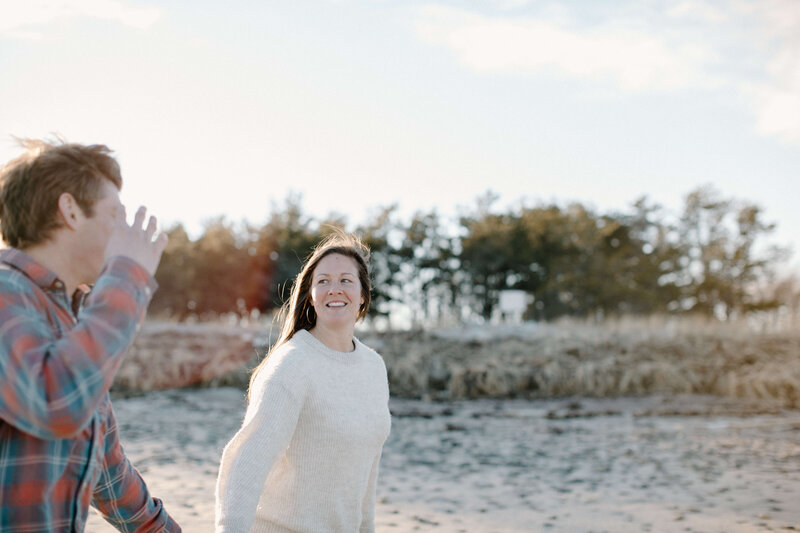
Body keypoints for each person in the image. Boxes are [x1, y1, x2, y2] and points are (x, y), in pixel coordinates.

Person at [0, 138, 181, 532]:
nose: (123, 231)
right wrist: (126, 275)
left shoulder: (74, 320)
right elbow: (55, 401)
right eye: (114, 214)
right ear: (70, 210)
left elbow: (110, 473)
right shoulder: (5, 293)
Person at [215, 232, 391, 533]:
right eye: (323, 281)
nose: (334, 289)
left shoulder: (374, 367)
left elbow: (366, 472)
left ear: (363, 295)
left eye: (346, 280)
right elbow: (247, 463)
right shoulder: (291, 365)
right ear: (310, 295)